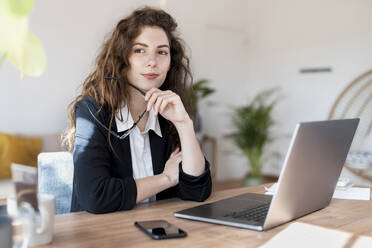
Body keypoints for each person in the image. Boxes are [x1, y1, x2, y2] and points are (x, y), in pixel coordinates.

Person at [62, 6, 212, 214]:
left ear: (171, 62)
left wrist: (184, 125)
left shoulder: (167, 113)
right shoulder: (93, 111)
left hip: (157, 233)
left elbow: (198, 191)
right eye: (140, 50)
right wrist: (166, 178)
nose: (152, 62)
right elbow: (95, 196)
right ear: (123, 58)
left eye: (162, 52)